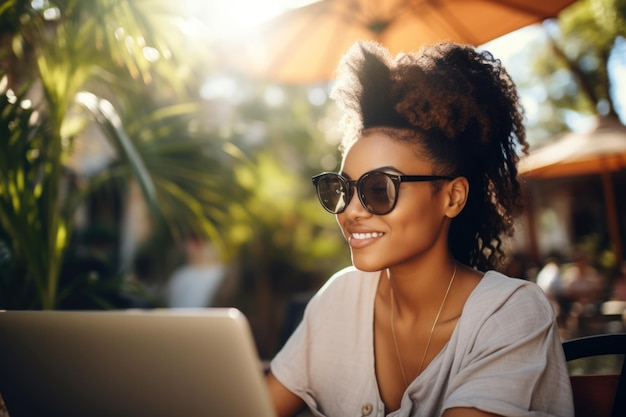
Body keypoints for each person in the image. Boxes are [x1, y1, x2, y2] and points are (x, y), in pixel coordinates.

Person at [266, 41, 573, 417]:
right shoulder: (341, 298)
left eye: (379, 189)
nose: (351, 211)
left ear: (452, 197)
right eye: (342, 189)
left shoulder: (510, 314)